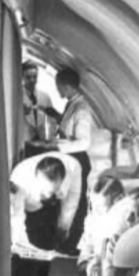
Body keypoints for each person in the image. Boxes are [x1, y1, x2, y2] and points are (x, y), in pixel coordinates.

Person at [9, 152, 82, 276]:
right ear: (36, 179)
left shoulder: (74, 168)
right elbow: (16, 218)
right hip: (26, 214)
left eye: (53, 190)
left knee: (42, 269)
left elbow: (72, 199)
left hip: (49, 213)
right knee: (22, 274)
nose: (48, 194)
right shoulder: (20, 178)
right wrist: (24, 247)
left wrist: (63, 227)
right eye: (45, 191)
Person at [50, 67, 97, 251]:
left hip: (77, 160)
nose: (57, 90)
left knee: (75, 203)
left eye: (59, 86)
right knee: (66, 201)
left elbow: (84, 142)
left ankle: (72, 243)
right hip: (69, 160)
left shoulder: (82, 108)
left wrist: (57, 146)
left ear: (67, 86)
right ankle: (64, 240)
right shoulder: (72, 104)